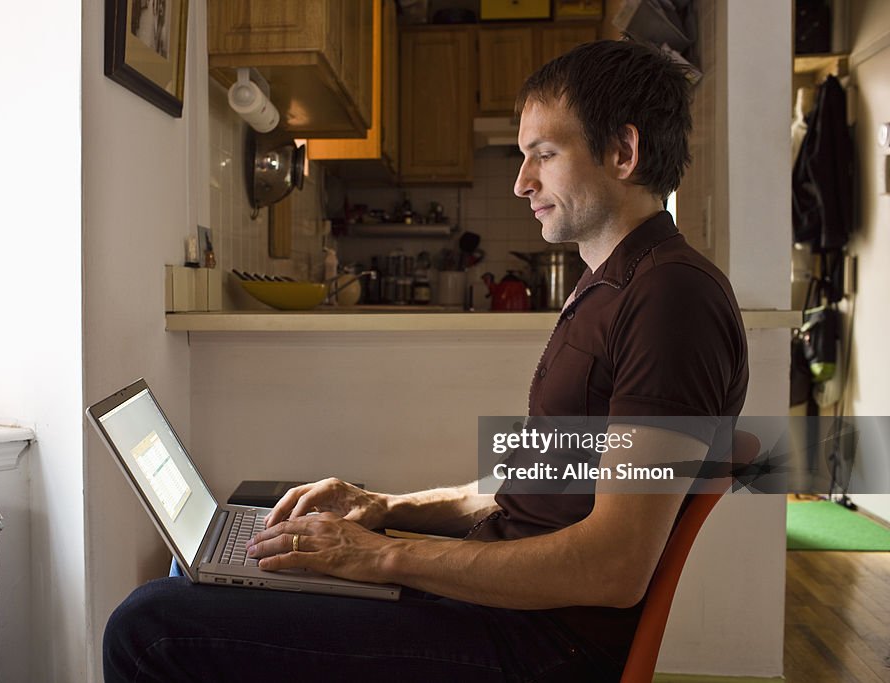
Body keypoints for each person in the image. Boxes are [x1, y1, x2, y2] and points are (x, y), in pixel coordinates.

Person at [103, 39, 748, 682]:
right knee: (228, 556)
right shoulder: (610, 286)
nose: (522, 182)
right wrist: (380, 508)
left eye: (543, 156)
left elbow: (615, 565)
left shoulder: (670, 298)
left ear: (623, 153)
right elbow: (522, 488)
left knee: (152, 627)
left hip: (542, 643)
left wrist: (383, 557)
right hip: (505, 607)